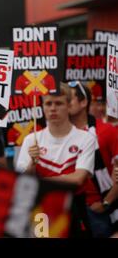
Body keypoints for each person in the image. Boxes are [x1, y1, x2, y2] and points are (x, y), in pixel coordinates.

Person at [16, 83, 96, 237]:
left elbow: (78, 178)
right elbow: (24, 182)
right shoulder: (31, 140)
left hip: (74, 207)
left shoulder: (86, 138)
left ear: (68, 105)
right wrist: (32, 164)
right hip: (42, 209)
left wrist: (43, 182)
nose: (53, 108)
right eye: (48, 103)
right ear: (43, 107)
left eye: (58, 103)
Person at [68, 81, 118, 236]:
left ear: (83, 102)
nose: (63, 104)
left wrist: (106, 203)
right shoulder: (58, 134)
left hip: (99, 209)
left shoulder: (107, 131)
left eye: (69, 99)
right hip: (71, 208)